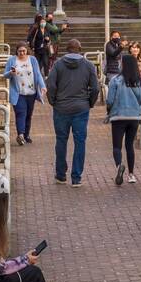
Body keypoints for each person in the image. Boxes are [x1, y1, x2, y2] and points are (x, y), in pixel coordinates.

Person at [47, 38, 100, 186]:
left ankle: (60, 175)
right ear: (80, 48)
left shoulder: (58, 65)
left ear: (67, 49)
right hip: (81, 108)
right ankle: (76, 177)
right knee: (80, 142)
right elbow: (95, 88)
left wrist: (53, 102)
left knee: (61, 140)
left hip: (61, 108)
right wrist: (89, 103)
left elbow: (50, 85)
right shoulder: (89, 66)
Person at [106, 52, 141, 185]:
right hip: (134, 117)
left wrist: (109, 109)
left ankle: (119, 166)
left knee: (117, 146)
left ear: (122, 64)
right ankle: (131, 175)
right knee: (129, 146)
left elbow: (109, 100)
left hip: (118, 116)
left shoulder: (115, 80)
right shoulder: (140, 81)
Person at [4, 41, 47, 145]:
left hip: (31, 93)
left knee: (28, 115)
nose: (22, 53)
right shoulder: (12, 60)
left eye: (24, 51)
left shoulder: (32, 59)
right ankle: (21, 135)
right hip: (18, 93)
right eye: (20, 51)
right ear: (17, 51)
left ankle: (26, 135)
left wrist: (43, 86)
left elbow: (38, 74)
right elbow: (5, 75)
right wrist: (11, 73)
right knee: (20, 113)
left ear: (27, 50)